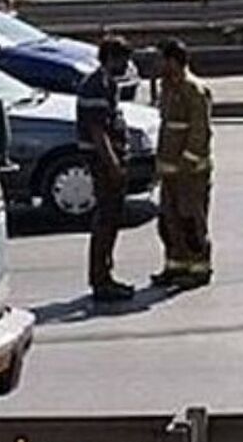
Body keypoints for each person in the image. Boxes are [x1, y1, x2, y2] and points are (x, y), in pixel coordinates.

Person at [152, 39, 214, 289]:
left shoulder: (194, 90)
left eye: (161, 59)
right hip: (170, 171)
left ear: (173, 61)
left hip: (190, 173)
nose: (158, 64)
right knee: (168, 221)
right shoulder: (167, 87)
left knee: (190, 220)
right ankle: (175, 265)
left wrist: (187, 162)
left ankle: (199, 267)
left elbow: (200, 131)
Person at [77, 36, 135, 303]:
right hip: (102, 161)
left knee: (111, 219)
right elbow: (98, 132)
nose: (126, 65)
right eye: (122, 59)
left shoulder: (107, 84)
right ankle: (101, 280)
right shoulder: (96, 86)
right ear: (110, 58)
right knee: (106, 219)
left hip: (110, 159)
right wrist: (113, 164)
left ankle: (105, 275)